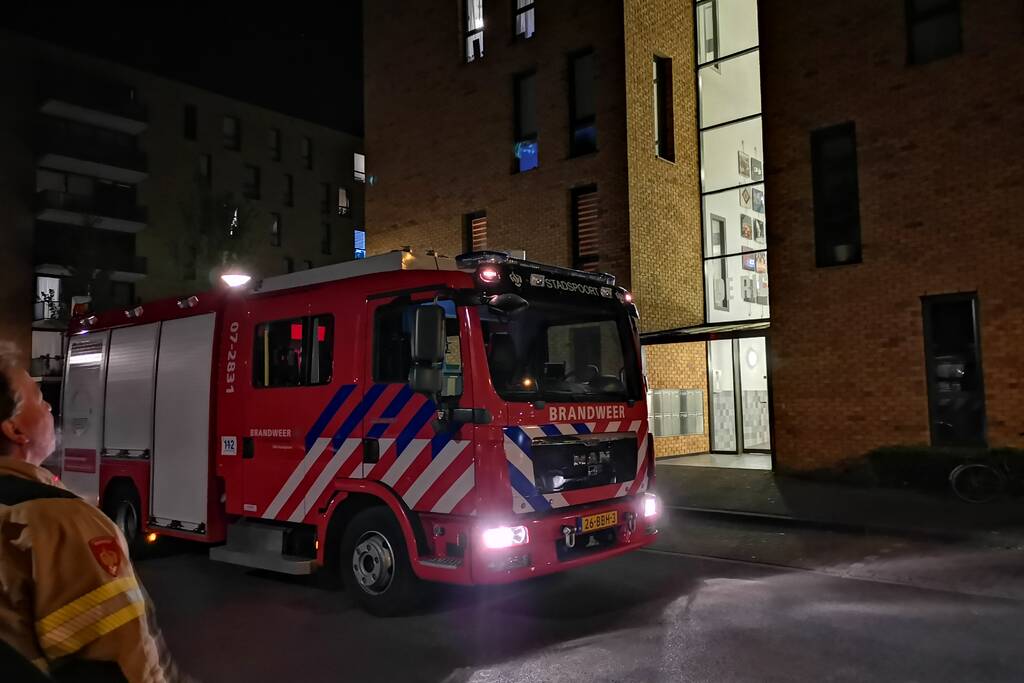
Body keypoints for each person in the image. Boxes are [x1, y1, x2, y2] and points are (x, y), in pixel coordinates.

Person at [0, 342, 183, 682]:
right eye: (39, 397)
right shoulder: (59, 524)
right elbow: (123, 664)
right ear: (15, 430)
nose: (51, 405)